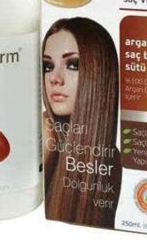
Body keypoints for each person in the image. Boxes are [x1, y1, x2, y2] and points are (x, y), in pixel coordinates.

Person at [42, 17, 121, 228]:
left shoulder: (111, 160)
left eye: (73, 65)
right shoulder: (46, 131)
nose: (54, 78)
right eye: (48, 66)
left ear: (99, 73)